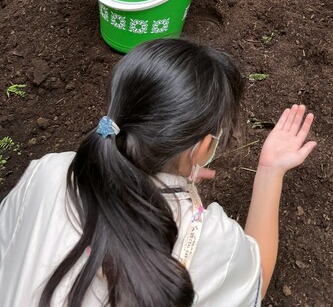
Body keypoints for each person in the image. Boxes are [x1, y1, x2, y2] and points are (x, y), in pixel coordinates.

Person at [0, 39, 316, 306]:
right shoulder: (213, 241)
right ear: (204, 147)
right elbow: (254, 282)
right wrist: (270, 170)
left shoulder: (49, 171)